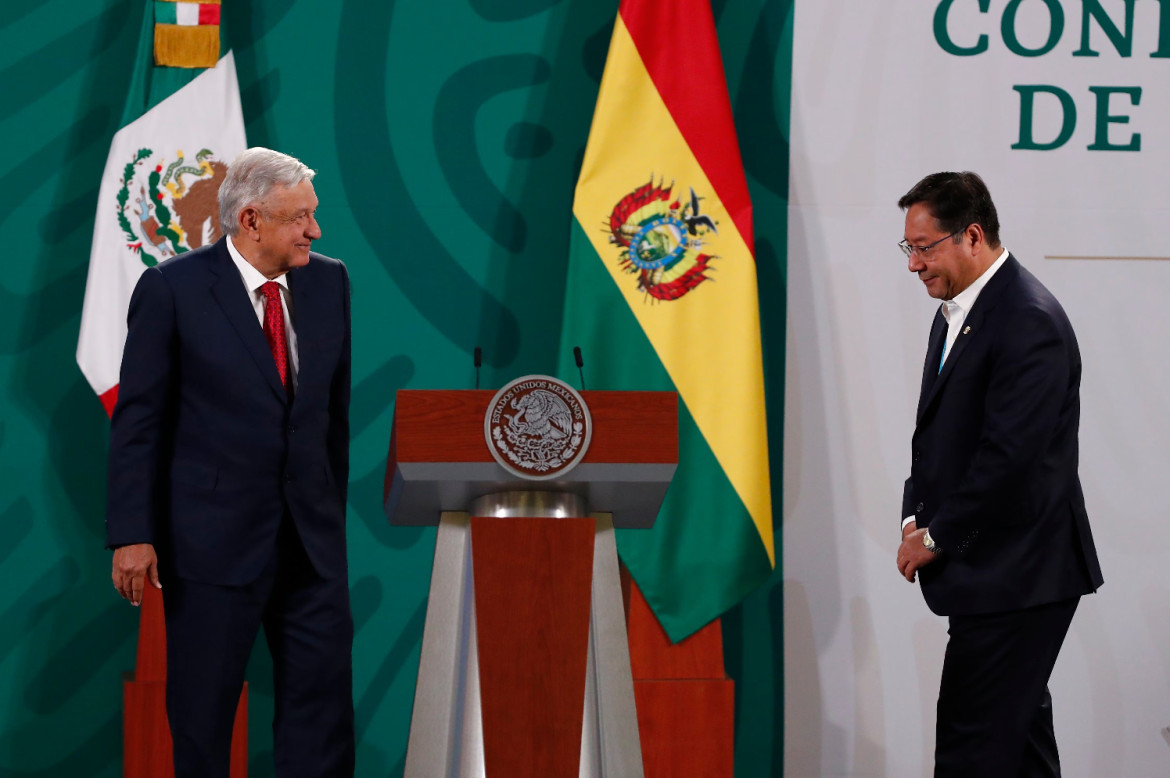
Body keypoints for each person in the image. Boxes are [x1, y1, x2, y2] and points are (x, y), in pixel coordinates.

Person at [106, 147, 354, 777]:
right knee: (203, 718)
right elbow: (140, 419)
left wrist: (328, 510)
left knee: (321, 713)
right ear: (251, 220)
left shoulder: (330, 281)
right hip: (211, 543)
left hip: (310, 543)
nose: (314, 231)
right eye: (300, 218)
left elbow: (331, 417)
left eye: (313, 215)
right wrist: (134, 533)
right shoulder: (173, 289)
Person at [894, 171, 1103, 777]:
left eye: (925, 247)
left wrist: (934, 538)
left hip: (1021, 574)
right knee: (1018, 749)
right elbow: (934, 434)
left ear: (973, 235)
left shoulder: (1027, 319)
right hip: (995, 569)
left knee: (971, 751)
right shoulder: (957, 309)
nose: (914, 264)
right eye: (908, 248)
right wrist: (914, 514)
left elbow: (1008, 461)